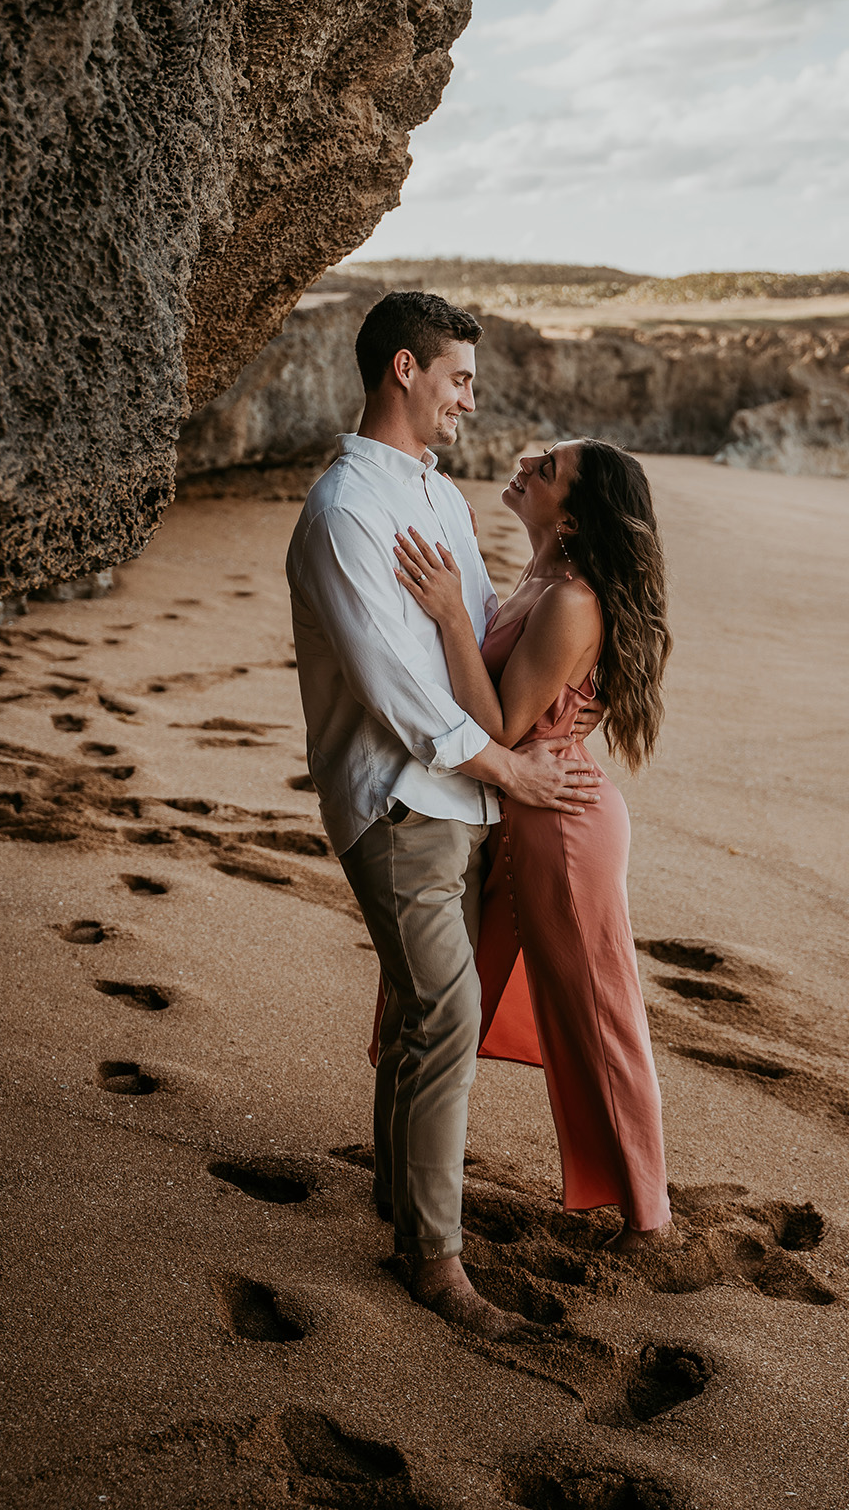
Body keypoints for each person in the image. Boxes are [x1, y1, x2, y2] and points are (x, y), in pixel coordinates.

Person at [285, 291, 602, 1339]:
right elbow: (399, 693)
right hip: (397, 802)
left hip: (462, 800)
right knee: (447, 1014)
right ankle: (436, 1263)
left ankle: (395, 1200)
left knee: (426, 1014)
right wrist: (514, 776)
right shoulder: (347, 513)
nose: (472, 399)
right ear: (405, 371)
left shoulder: (438, 499)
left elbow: (469, 651)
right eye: (459, 377)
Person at [393, 437, 674, 1253]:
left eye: (545, 469)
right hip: (520, 811)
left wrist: (450, 612)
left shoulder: (572, 601)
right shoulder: (537, 578)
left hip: (563, 825)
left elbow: (497, 728)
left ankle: (648, 1218)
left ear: (577, 515)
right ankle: (408, 1155)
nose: (525, 465)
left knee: (597, 1010)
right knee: (465, 993)